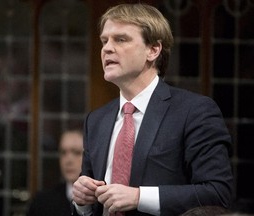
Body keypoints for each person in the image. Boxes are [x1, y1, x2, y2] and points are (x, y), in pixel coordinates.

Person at [72, 3, 233, 216]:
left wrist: (139, 197)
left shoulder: (194, 111)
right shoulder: (96, 120)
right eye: (104, 41)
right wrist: (82, 203)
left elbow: (217, 192)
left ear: (153, 50)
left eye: (120, 39)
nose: (107, 48)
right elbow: (91, 205)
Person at [27, 129, 83, 216]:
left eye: (76, 152)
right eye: (63, 153)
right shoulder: (42, 202)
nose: (68, 160)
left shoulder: (99, 201)